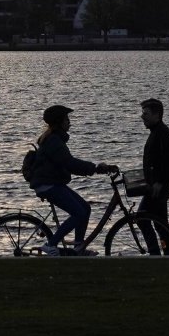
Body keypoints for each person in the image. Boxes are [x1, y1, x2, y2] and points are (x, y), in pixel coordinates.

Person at [26, 104, 115, 256]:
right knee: (79, 213)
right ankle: (50, 244)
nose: (70, 122)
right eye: (67, 119)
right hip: (47, 184)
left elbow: (68, 163)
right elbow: (70, 163)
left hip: (52, 182)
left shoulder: (55, 139)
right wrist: (95, 168)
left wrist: (93, 169)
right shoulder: (54, 141)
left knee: (85, 209)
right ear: (59, 122)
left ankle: (78, 247)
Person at [137, 97, 169, 255]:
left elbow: (167, 161)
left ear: (157, 115)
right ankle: (166, 253)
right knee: (160, 224)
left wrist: (159, 182)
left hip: (158, 187)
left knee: (143, 219)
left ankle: (156, 252)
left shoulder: (161, 134)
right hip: (155, 185)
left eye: (146, 113)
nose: (142, 116)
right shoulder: (157, 132)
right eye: (142, 113)